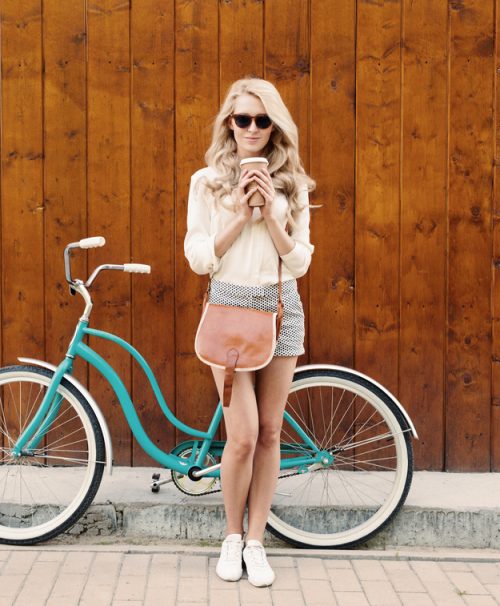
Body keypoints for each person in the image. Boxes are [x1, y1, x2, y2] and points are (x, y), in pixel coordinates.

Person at [184, 78, 315, 585]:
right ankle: (231, 536)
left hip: (281, 307)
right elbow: (198, 259)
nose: (253, 129)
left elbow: (300, 261)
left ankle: (257, 540)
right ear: (229, 124)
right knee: (240, 437)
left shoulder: (294, 186)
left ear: (275, 126)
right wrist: (240, 215)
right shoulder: (206, 181)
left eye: (263, 120)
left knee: (270, 432)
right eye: (243, 119)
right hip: (230, 307)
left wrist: (270, 216)